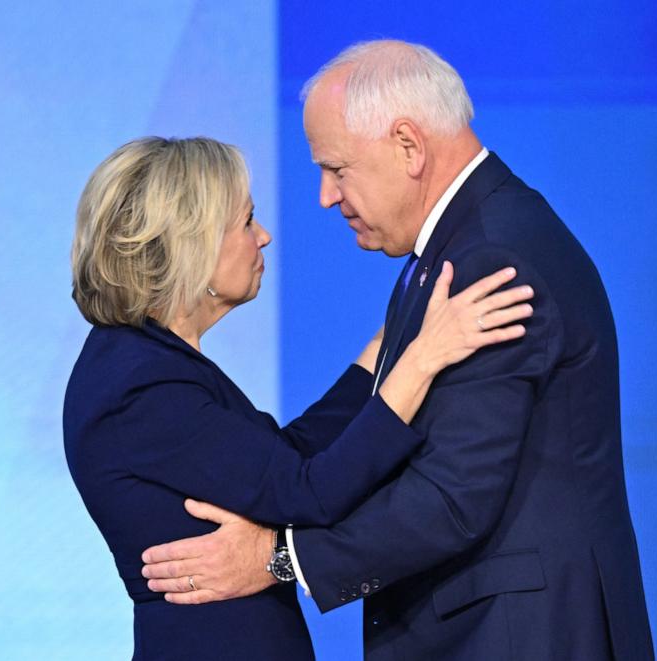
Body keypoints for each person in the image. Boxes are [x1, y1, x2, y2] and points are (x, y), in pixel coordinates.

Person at [141, 42, 655, 660]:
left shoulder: (490, 260)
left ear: (408, 146)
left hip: (518, 637)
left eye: (337, 168)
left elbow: (452, 496)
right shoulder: (456, 248)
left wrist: (281, 558)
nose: (326, 197)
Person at [63, 136, 535, 660]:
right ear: (190, 245)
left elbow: (284, 462)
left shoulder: (142, 364)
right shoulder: (141, 386)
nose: (262, 237)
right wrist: (422, 359)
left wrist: (384, 350)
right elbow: (309, 492)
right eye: (245, 222)